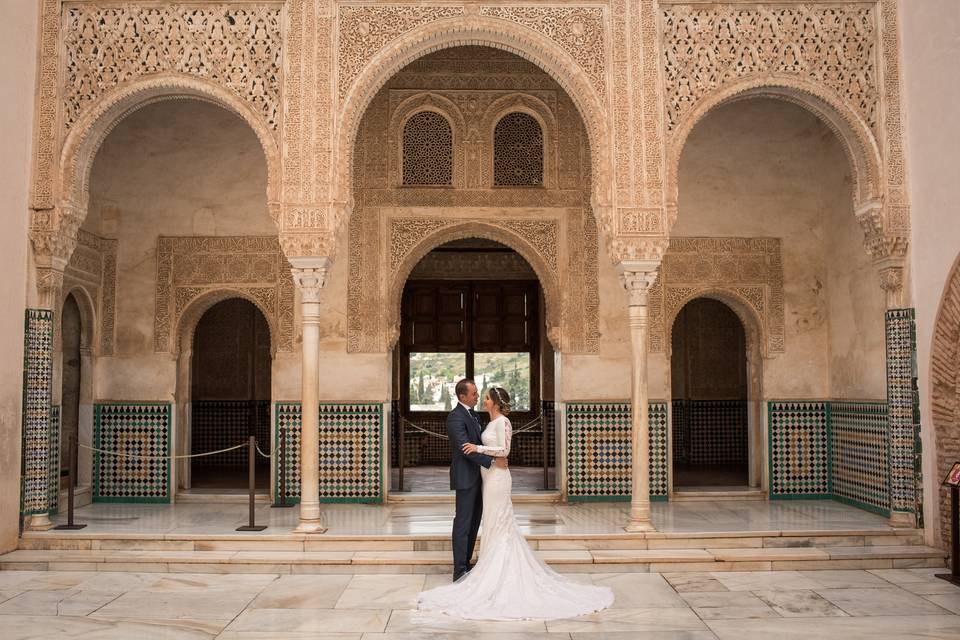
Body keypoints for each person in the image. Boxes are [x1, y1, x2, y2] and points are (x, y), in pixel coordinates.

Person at [419, 385, 614, 620]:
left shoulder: (497, 421)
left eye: (485, 396)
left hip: (493, 479)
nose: (480, 397)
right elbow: (465, 448)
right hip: (475, 476)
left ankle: (479, 567)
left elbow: (503, 449)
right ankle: (461, 569)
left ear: (496, 403)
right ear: (462, 396)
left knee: (489, 521)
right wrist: (489, 460)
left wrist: (487, 455)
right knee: (467, 522)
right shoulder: (459, 417)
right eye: (475, 393)